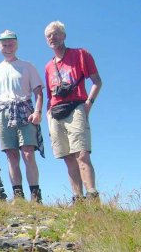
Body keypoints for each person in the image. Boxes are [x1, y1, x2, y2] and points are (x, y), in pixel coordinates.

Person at [43, 21, 102, 203]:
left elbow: (97, 81)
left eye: (56, 33)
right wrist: (48, 115)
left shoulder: (81, 54)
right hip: (55, 112)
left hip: (76, 107)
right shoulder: (48, 66)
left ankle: (92, 195)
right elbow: (49, 94)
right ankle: (77, 198)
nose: (52, 37)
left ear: (64, 36)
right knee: (67, 157)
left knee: (82, 153)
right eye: (49, 35)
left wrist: (88, 104)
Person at [0, 30, 45, 203]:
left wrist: (38, 112)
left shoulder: (27, 66)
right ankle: (18, 196)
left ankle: (35, 195)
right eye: (4, 44)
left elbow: (39, 92)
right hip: (2, 113)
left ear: (16, 45)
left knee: (28, 153)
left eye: (10, 44)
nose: (7, 47)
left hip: (23, 110)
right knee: (11, 155)